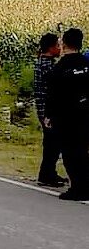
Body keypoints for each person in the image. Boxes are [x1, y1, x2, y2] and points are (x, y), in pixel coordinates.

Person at [45, 28, 89, 201]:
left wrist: (48, 115)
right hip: (84, 114)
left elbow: (53, 95)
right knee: (83, 151)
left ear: (63, 43)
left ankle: (78, 188)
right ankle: (85, 185)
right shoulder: (86, 64)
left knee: (70, 154)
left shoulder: (60, 68)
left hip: (67, 117)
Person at [34, 33, 67, 187]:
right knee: (52, 145)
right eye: (58, 45)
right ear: (51, 47)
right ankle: (46, 175)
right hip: (49, 111)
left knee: (52, 143)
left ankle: (49, 172)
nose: (60, 48)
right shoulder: (47, 65)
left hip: (45, 110)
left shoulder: (44, 62)